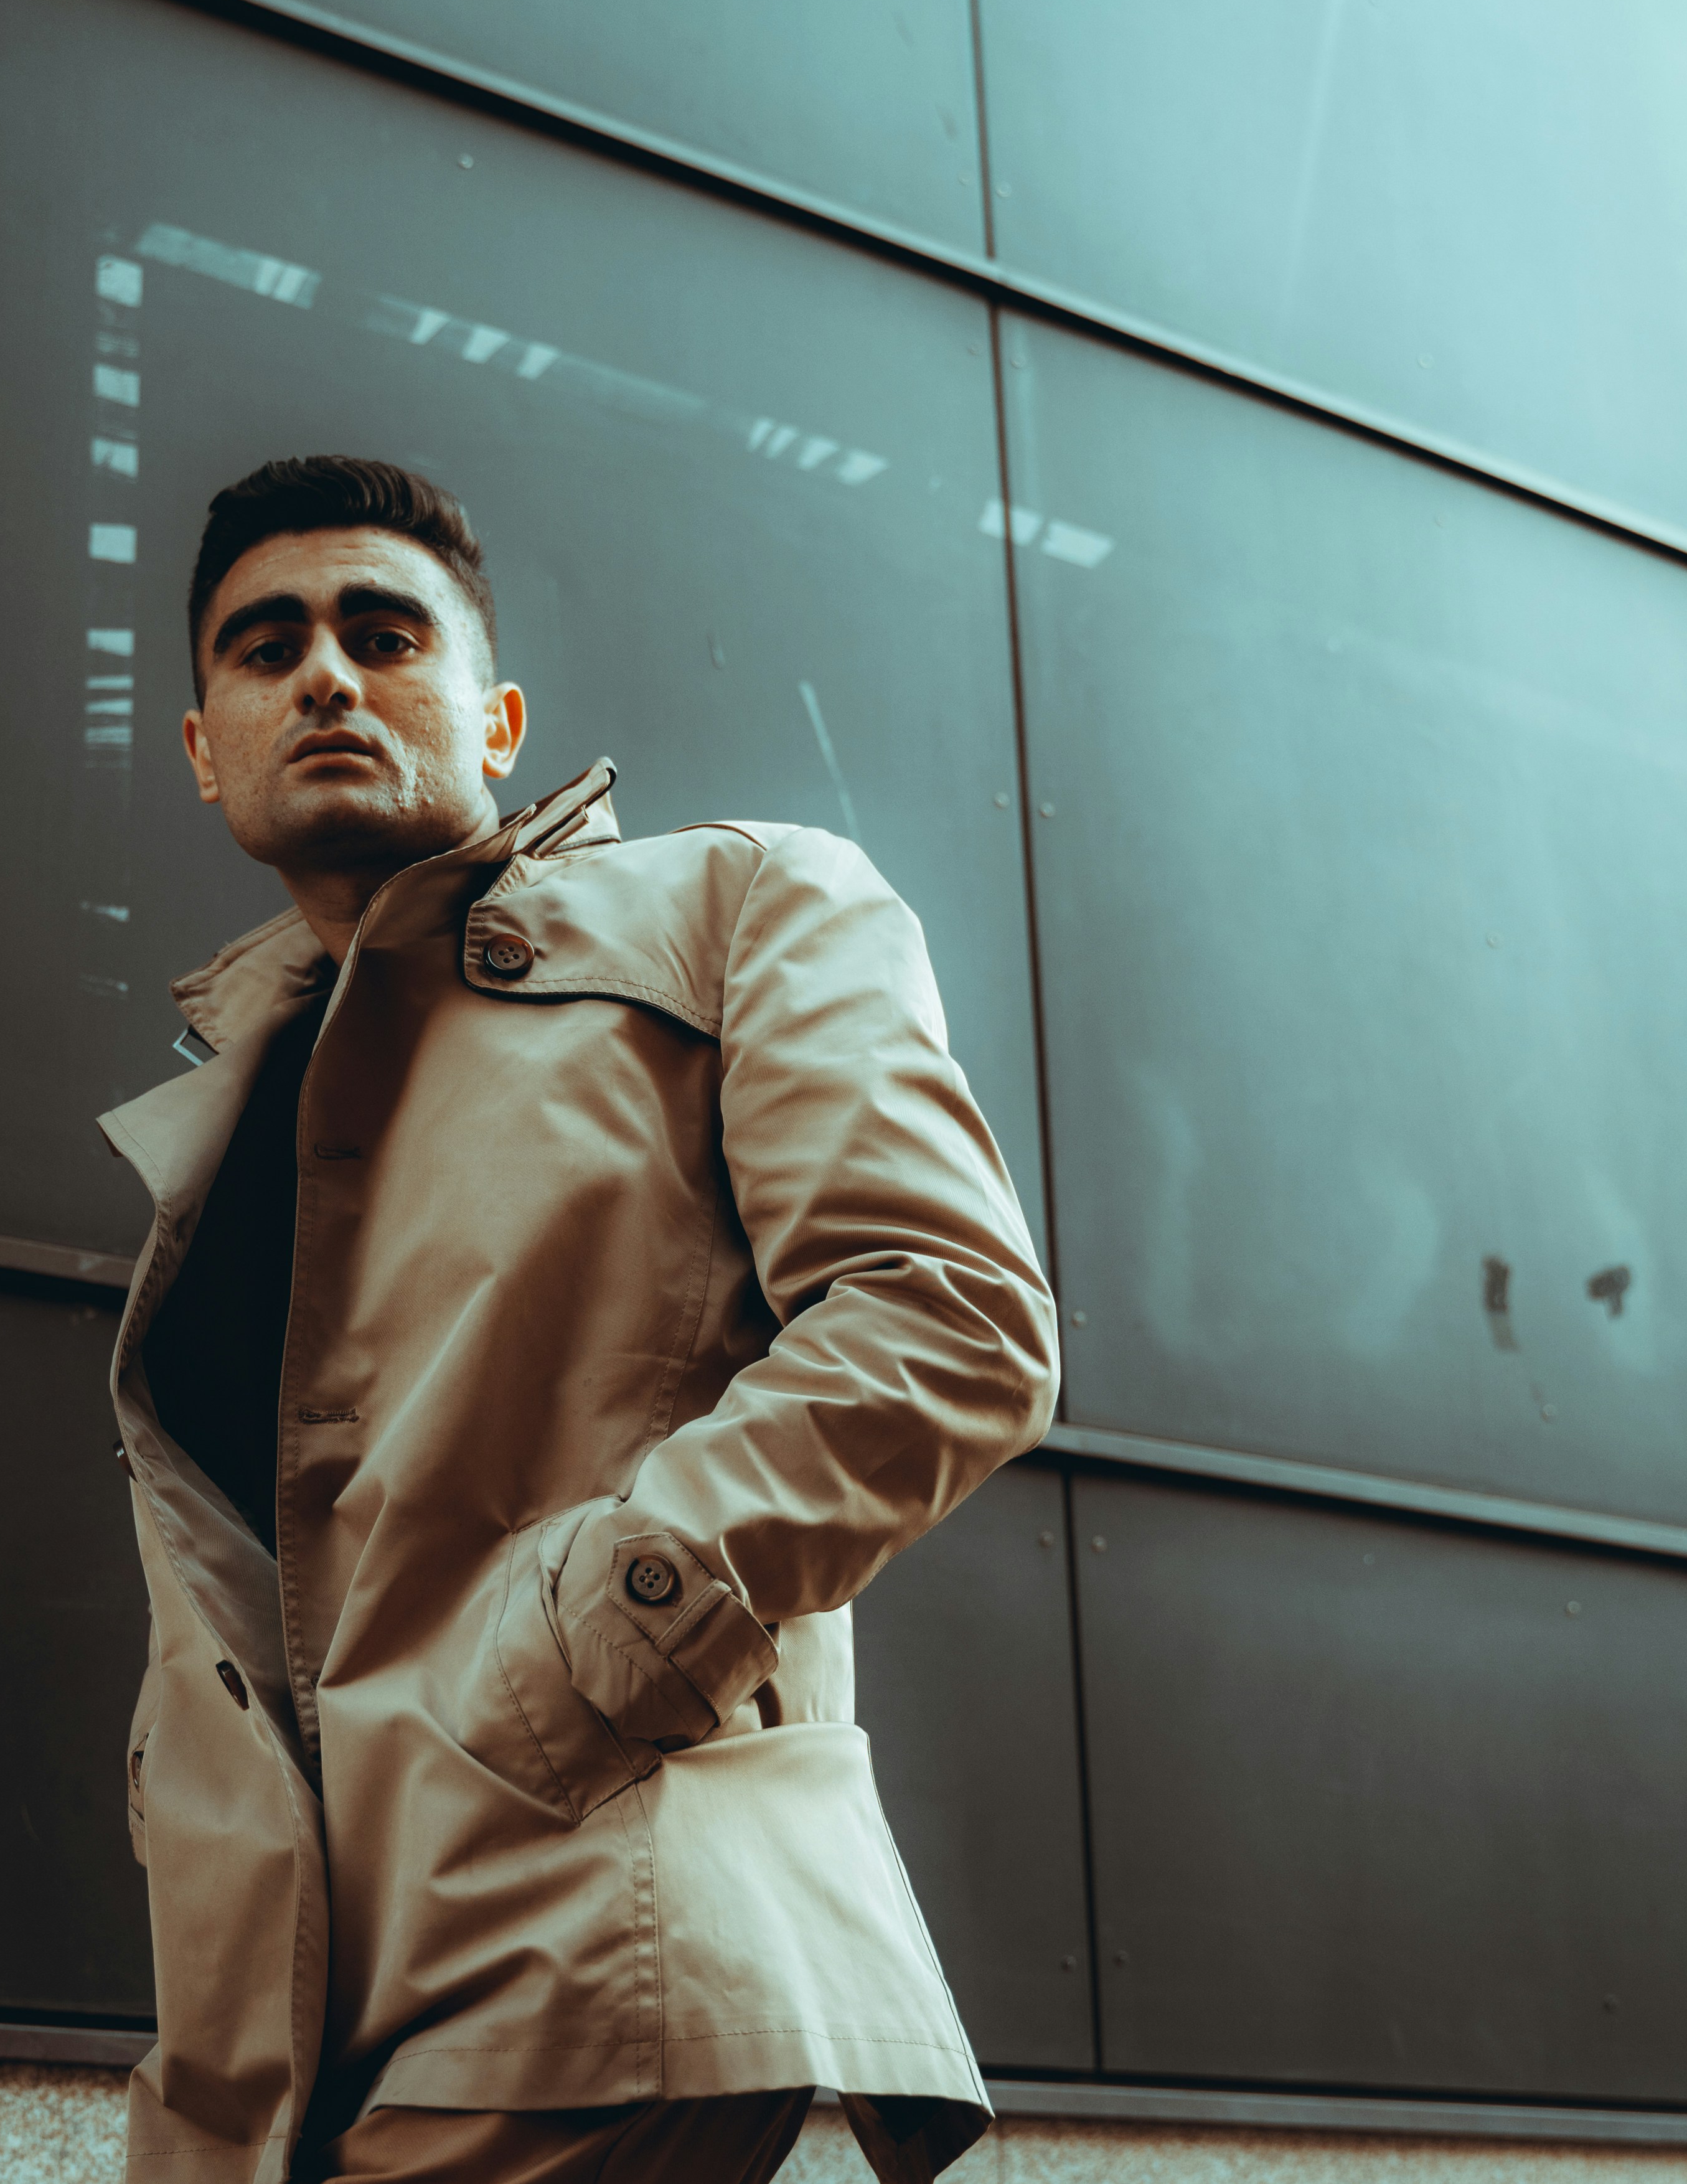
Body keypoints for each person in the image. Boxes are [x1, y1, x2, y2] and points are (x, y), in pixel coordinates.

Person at [103, 454, 1058, 2184]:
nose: (323, 670)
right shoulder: (231, 1118)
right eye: (264, 645)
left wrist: (573, 1661)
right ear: (201, 744)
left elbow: (950, 1315)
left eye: (384, 632)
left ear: (498, 718)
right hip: (277, 2030)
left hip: (584, 1898)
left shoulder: (738, 902)